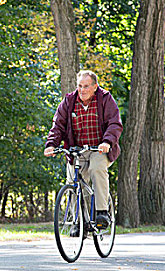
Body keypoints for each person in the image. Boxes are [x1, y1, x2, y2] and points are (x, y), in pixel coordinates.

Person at [44, 70, 123, 227]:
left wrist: (107, 142)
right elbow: (58, 125)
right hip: (77, 150)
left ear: (95, 87)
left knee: (96, 168)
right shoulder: (69, 101)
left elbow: (114, 123)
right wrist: (51, 144)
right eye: (80, 86)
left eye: (86, 86)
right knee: (73, 181)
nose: (82, 90)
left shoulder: (105, 99)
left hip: (98, 149)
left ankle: (102, 213)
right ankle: (79, 222)